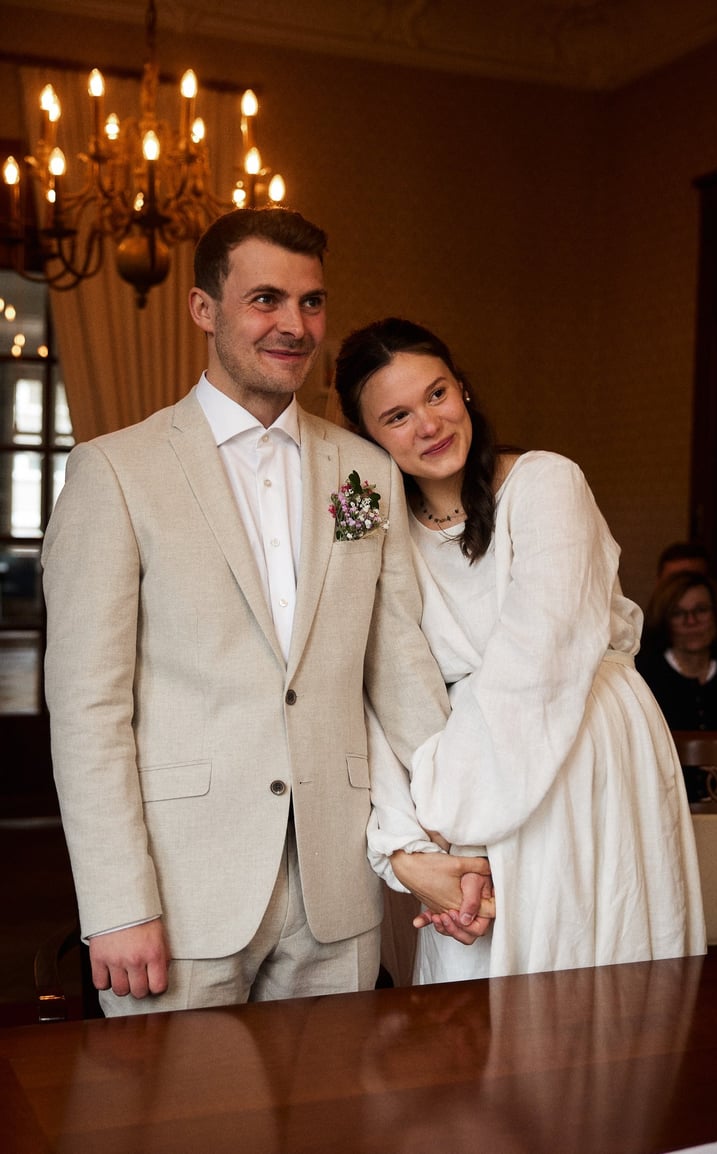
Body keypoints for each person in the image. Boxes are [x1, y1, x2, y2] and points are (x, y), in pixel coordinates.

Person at [41, 211, 491, 1016]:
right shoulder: (114, 472)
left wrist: (460, 835)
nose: (294, 325)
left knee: (331, 1128)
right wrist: (117, 902)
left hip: (338, 886)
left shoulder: (364, 470)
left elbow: (398, 671)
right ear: (204, 309)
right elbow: (87, 709)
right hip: (180, 895)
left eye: (312, 302)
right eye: (266, 299)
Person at [334, 316, 706, 983]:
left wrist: (451, 826)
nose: (428, 423)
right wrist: (411, 851)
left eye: (437, 394)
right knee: (465, 1025)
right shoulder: (374, 527)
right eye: (395, 416)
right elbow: (366, 682)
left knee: (588, 984)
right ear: (365, 439)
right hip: (455, 779)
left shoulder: (546, 483)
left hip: (577, 751)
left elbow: (537, 664)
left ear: (464, 390)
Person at [636, 570, 717, 800]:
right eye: (679, 613)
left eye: (701, 610)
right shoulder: (645, 675)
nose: (691, 622)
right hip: (671, 807)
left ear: (716, 614)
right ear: (666, 621)